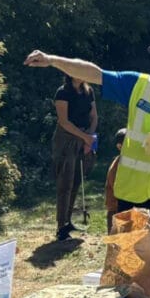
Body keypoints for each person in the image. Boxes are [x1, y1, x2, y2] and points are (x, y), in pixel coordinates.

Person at [25, 36, 150, 260]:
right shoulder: (139, 85)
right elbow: (94, 74)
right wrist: (52, 60)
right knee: (127, 267)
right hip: (131, 197)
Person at [51, 73, 98, 241]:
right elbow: (64, 122)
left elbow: (94, 116)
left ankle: (68, 221)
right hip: (66, 139)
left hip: (84, 136)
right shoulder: (62, 92)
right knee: (65, 182)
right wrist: (84, 137)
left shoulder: (89, 91)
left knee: (77, 180)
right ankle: (61, 226)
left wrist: (89, 138)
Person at [104, 128, 126, 232]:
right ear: (119, 146)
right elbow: (116, 187)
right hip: (116, 209)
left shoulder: (128, 163)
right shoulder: (117, 165)